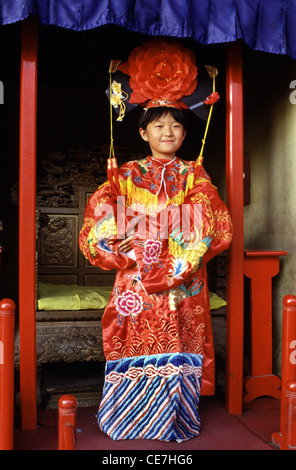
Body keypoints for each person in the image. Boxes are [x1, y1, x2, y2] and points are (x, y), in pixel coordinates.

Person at [79, 39, 232, 442]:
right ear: (144, 131)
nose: (168, 131)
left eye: (176, 125)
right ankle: (127, 417)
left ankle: (176, 418)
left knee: (180, 336)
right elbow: (101, 217)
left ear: (185, 133)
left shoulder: (194, 176)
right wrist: (121, 239)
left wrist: (153, 233)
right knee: (131, 337)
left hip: (181, 282)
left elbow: (211, 221)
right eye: (159, 125)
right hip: (135, 277)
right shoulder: (125, 175)